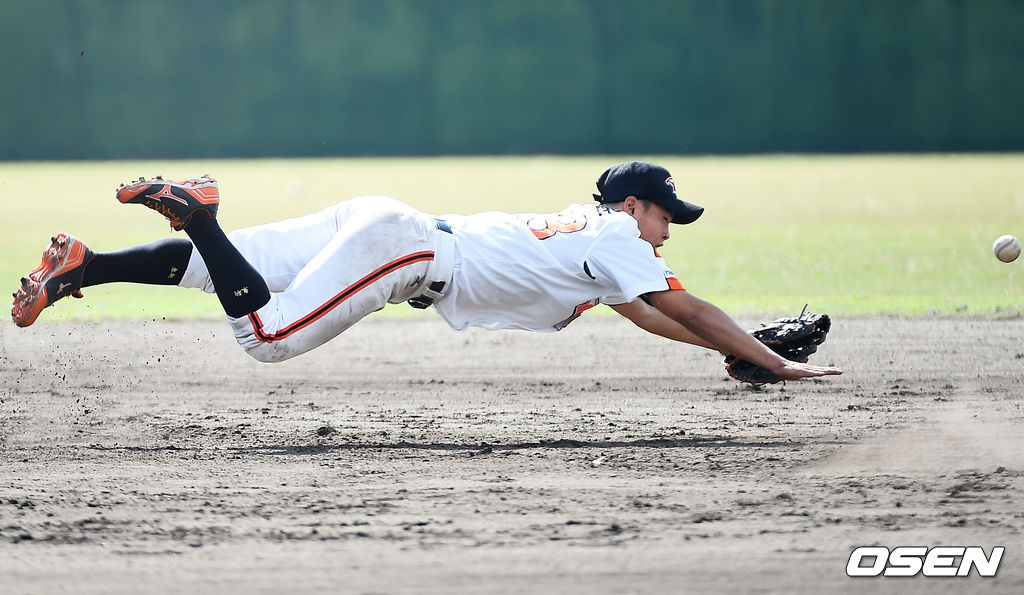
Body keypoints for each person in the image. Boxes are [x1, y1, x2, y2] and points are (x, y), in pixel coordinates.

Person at [12, 161, 841, 381]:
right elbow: (686, 309)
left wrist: (738, 351)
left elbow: (659, 317)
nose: (671, 231)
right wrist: (773, 360)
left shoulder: (598, 240)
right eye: (669, 215)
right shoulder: (621, 240)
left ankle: (85, 264)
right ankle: (201, 210)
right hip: (407, 253)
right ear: (633, 207)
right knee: (264, 334)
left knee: (226, 271)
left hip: (389, 223)